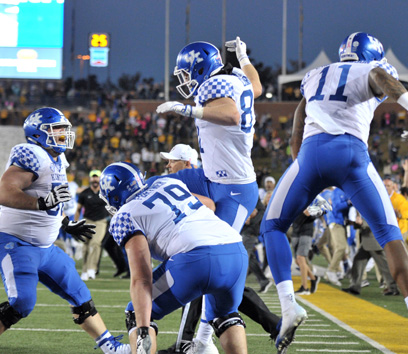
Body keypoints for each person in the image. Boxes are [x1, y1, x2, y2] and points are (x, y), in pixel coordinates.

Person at [259, 32, 408, 353]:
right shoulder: (370, 69)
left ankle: (289, 308)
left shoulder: (315, 75)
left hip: (311, 155)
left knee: (271, 226)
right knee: (389, 234)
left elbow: (297, 128)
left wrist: (302, 172)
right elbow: (377, 75)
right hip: (351, 154)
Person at [0, 107, 130, 354]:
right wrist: (42, 203)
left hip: (46, 248)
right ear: (38, 134)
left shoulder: (57, 159)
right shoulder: (32, 154)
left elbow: (50, 199)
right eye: (56, 129)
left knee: (80, 294)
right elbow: (4, 194)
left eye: (63, 129)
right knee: (23, 303)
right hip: (17, 243)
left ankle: (109, 346)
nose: (63, 133)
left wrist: (65, 222)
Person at [156, 38, 282, 353]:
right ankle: (197, 340)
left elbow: (231, 115)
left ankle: (199, 341)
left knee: (209, 260)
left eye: (186, 74)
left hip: (233, 188)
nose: (184, 82)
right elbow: (255, 86)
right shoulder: (235, 79)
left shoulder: (214, 86)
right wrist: (243, 56)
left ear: (201, 68)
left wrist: (187, 109)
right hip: (217, 179)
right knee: (162, 186)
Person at [99, 161, 249, 354]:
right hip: (235, 250)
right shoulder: (168, 183)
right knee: (225, 315)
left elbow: (141, 278)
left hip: (196, 259)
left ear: (116, 195)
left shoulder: (125, 216)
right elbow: (208, 205)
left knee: (136, 313)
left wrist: (143, 328)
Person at [342, 211, 398, 296]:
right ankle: (355, 287)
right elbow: (361, 225)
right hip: (366, 241)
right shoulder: (365, 206)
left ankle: (393, 288)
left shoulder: (374, 205)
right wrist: (353, 223)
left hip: (375, 241)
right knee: (358, 262)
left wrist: (362, 223)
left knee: (384, 266)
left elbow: (377, 221)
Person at [75, 169, 109, 281]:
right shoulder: (84, 193)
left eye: (97, 177)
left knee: (95, 243)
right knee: (85, 246)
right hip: (87, 221)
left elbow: (112, 207)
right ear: (90, 179)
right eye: (93, 177)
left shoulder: (105, 193)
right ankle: (85, 270)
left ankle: (91, 268)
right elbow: (78, 209)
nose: (95, 179)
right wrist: (75, 224)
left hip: (100, 222)